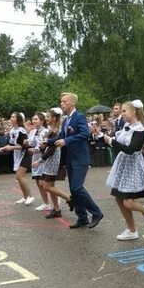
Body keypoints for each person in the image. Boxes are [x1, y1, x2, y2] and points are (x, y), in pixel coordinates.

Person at [53, 92, 104, 229]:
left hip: (80, 158)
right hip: (70, 158)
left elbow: (84, 133)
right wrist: (48, 141)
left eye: (64, 101)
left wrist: (66, 140)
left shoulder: (79, 116)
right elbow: (61, 136)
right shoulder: (65, 120)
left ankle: (96, 213)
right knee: (73, 189)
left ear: (72, 103)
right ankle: (82, 217)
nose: (62, 104)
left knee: (77, 187)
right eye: (61, 101)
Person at [104, 100, 144, 240]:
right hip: (122, 166)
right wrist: (102, 137)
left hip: (132, 168)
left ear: (134, 112)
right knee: (119, 199)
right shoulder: (126, 126)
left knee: (128, 202)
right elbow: (118, 144)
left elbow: (130, 150)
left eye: (125, 111)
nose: (122, 113)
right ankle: (132, 230)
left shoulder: (140, 130)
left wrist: (110, 141)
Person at [32, 108, 69, 219]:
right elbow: (48, 146)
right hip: (50, 159)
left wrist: (39, 160)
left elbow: (52, 149)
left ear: (54, 118)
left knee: (46, 185)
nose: (46, 118)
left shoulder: (56, 130)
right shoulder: (51, 129)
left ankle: (69, 198)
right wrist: (41, 148)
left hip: (53, 160)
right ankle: (56, 209)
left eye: (48, 116)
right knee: (49, 185)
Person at [0, 113, 34, 205]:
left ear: (18, 119)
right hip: (17, 155)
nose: (11, 118)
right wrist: (4, 148)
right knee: (19, 178)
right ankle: (25, 197)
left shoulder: (21, 131)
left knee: (19, 176)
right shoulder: (12, 130)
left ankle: (30, 196)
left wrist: (12, 148)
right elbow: (11, 144)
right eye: (11, 116)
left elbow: (26, 146)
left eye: (13, 117)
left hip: (25, 155)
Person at [27, 113, 51, 212]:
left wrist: (35, 149)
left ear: (42, 121)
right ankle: (46, 202)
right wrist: (27, 142)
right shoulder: (33, 132)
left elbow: (44, 146)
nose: (34, 121)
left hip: (43, 159)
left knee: (43, 182)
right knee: (38, 182)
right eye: (33, 119)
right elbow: (32, 143)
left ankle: (54, 197)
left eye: (36, 119)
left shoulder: (46, 131)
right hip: (35, 158)